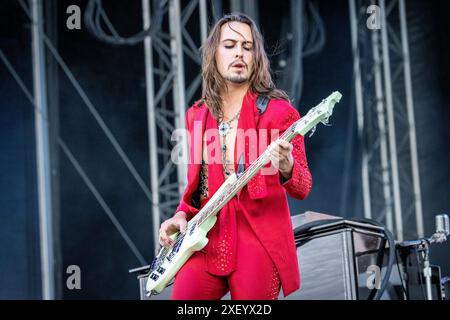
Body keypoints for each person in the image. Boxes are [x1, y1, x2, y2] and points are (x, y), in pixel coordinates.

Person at [158, 12, 312, 300]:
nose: (239, 52)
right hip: (206, 239)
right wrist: (180, 215)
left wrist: (288, 166)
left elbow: (303, 186)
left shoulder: (280, 113)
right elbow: (199, 188)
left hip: (257, 239)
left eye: (247, 46)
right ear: (214, 54)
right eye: (229, 45)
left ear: (256, 57)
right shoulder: (197, 115)